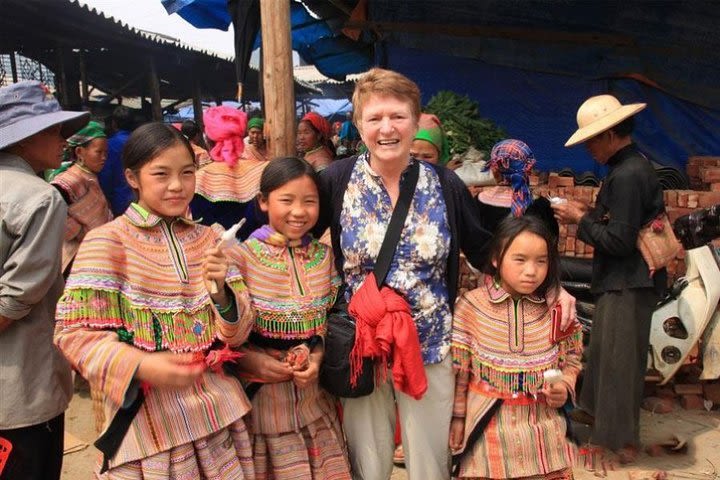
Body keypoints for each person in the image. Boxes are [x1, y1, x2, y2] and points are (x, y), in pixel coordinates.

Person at [312, 67, 493, 480]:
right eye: (374, 118)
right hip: (363, 345)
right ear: (358, 125)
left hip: (429, 343)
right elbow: (296, 232)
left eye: (397, 116)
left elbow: (487, 253)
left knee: (429, 463)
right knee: (368, 462)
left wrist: (544, 283)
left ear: (416, 121)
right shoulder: (337, 180)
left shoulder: (445, 185)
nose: (387, 128)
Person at [54, 123, 256, 478]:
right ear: (133, 177)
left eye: (187, 173)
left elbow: (237, 335)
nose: (177, 186)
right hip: (148, 427)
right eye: (161, 174)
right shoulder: (107, 242)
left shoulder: (210, 239)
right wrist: (142, 365)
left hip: (217, 420)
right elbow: (73, 334)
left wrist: (221, 292)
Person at [552, 94, 666, 463]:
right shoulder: (627, 168)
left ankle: (616, 442)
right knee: (604, 354)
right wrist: (590, 214)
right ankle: (597, 416)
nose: (589, 148)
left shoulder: (629, 175)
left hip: (627, 280)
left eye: (592, 140)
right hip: (621, 280)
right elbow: (620, 224)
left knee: (619, 364)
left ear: (612, 133)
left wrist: (577, 219)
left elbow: (618, 241)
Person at [225, 156, 351, 479]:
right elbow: (227, 331)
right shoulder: (242, 257)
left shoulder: (324, 258)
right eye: (287, 200)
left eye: (309, 201)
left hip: (314, 407)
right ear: (263, 202)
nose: (299, 211)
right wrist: (248, 361)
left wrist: (318, 356)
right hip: (261, 411)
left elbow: (331, 319)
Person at [0, 80, 88, 480]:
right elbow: (15, 300)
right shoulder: (40, 197)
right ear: (22, 139)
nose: (64, 141)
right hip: (20, 391)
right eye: (54, 130)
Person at [449, 215, 583, 479]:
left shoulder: (559, 309)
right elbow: (460, 372)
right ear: (497, 259)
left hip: (543, 433)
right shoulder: (472, 306)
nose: (531, 271)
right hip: (486, 432)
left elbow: (573, 356)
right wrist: (457, 420)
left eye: (541, 261)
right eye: (520, 260)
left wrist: (565, 387)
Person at [191, 106, 268, 240]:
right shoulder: (263, 170)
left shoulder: (199, 179)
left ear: (209, 141)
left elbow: (200, 222)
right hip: (260, 250)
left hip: (218, 254)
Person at [51, 121, 113, 273]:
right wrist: (82, 234)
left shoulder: (90, 176)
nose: (104, 157)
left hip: (95, 252)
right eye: (99, 152)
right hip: (77, 258)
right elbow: (57, 217)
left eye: (106, 153)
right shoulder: (68, 181)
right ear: (79, 152)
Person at [476, 139, 558, 239]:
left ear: (495, 169)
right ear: (528, 169)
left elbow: (471, 240)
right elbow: (552, 240)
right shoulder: (541, 205)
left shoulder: (479, 202)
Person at [98, 105, 135, 216]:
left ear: (114, 123)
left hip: (119, 201)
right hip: (143, 198)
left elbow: (105, 176)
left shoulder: (108, 145)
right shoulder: (142, 142)